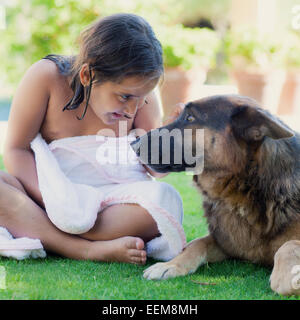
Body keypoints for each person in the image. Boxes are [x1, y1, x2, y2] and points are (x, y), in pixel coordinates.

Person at [0, 13, 184, 265]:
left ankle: (43, 232)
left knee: (167, 200)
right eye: (124, 97)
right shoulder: (47, 77)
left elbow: (153, 167)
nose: (132, 109)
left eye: (141, 99)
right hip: (47, 195)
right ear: (87, 75)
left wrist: (174, 139)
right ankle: (82, 249)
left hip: (110, 206)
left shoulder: (141, 93)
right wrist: (57, 202)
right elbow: (15, 149)